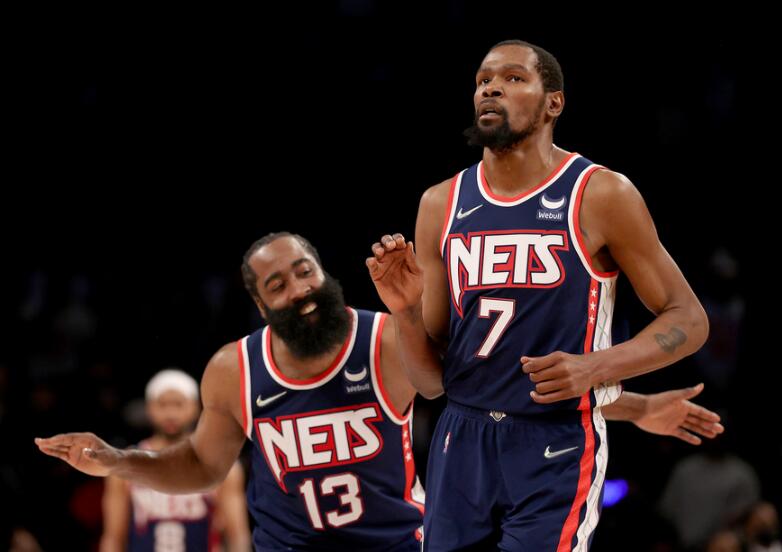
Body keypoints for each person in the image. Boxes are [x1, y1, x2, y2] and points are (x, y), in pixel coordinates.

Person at [36, 233, 718, 550]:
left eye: (305, 271)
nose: (300, 288)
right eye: (279, 284)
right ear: (260, 304)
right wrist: (118, 461)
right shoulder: (232, 369)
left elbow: (489, 389)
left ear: (322, 271)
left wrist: (631, 408)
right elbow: (201, 466)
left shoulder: (384, 338)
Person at [367, 39, 710, 551]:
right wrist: (406, 312)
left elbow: (689, 319)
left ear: (554, 103)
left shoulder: (600, 193)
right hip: (461, 436)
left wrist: (597, 367)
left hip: (556, 441)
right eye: (483, 80)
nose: (491, 89)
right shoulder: (440, 203)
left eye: (513, 78)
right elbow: (431, 383)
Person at [99, 369, 250, 551]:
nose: (170, 414)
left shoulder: (220, 464)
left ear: (195, 407)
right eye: (162, 405)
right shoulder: (126, 464)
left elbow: (237, 535)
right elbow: (113, 537)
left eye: (179, 404)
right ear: (149, 408)